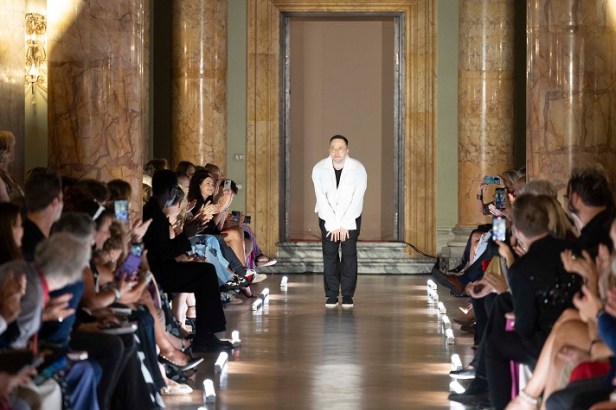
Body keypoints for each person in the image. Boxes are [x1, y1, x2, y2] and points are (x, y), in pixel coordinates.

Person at [312, 135, 367, 309]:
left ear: (347, 150)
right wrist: (334, 224)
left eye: (340, 148)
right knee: (330, 256)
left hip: (351, 219)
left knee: (349, 256)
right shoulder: (319, 169)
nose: (336, 152)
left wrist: (345, 224)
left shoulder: (358, 169)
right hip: (327, 219)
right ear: (329, 150)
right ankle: (332, 294)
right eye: (333, 148)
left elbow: (357, 198)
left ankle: (348, 294)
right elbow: (321, 198)